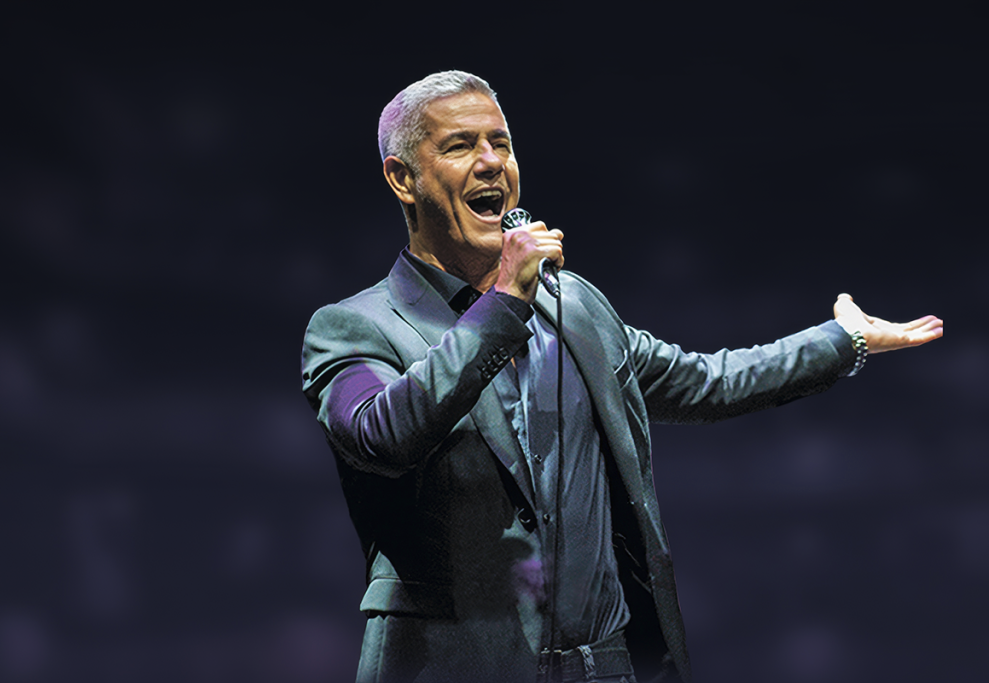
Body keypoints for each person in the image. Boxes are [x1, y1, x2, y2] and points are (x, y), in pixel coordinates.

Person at [300, 71, 943, 683]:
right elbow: (383, 435)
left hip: (604, 665)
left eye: (502, 143)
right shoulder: (354, 327)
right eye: (461, 146)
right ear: (403, 178)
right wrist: (503, 304)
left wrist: (843, 341)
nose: (493, 162)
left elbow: (706, 382)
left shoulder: (573, 306)